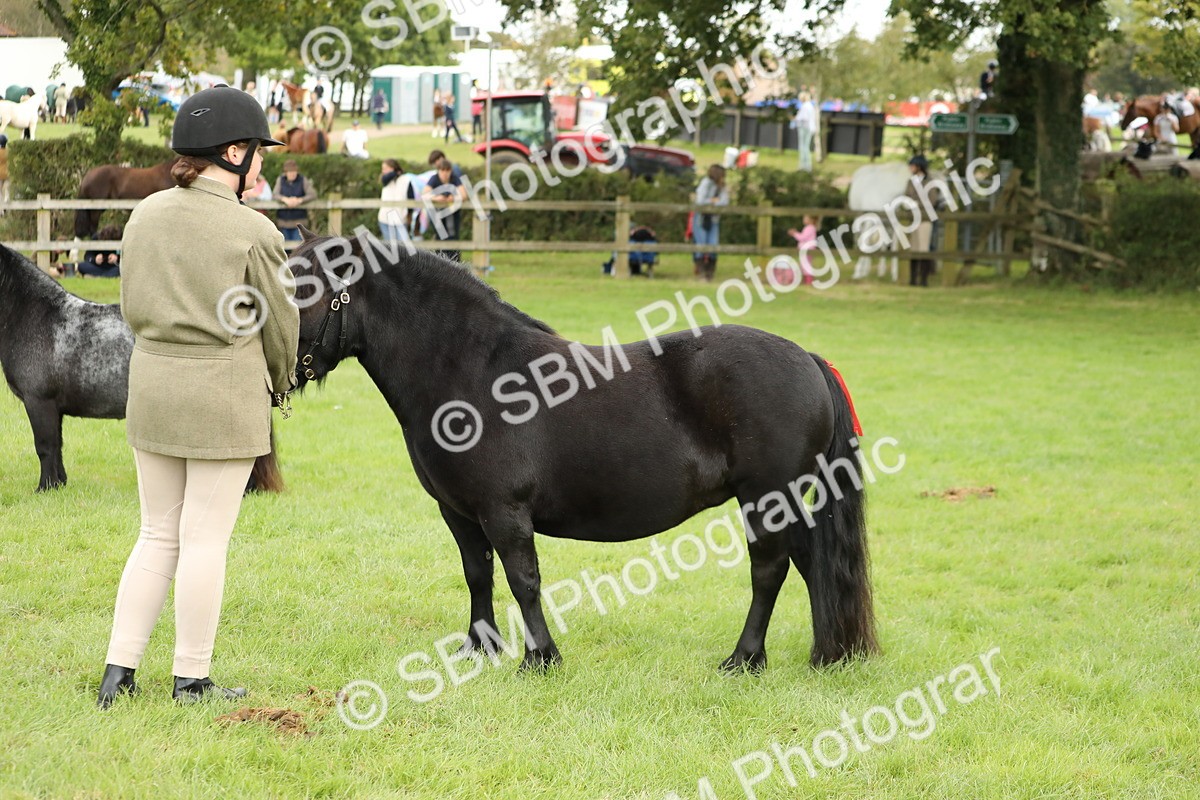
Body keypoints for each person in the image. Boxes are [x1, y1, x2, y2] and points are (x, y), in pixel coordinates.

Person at [96, 85, 297, 709]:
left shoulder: (146, 214)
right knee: (205, 540)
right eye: (258, 153)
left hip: (152, 385)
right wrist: (283, 381)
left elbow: (131, 308)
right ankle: (192, 679)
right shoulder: (252, 229)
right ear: (232, 152)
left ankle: (118, 673)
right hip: (222, 393)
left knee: (156, 533)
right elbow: (281, 323)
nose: (262, 164)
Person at [904, 155, 939, 287]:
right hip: (913, 219)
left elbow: (932, 200)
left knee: (924, 249)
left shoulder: (929, 182)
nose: (910, 168)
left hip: (925, 219)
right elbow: (906, 196)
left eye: (912, 166)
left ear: (919, 167)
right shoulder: (910, 182)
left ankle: (924, 280)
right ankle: (913, 279)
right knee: (914, 249)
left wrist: (916, 204)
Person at [423, 157, 467, 260]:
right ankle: (441, 263)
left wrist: (454, 198)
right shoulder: (434, 179)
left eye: (447, 170)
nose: (445, 173)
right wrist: (436, 198)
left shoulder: (455, 178)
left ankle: (455, 263)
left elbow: (464, 195)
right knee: (440, 237)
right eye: (442, 170)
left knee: (452, 237)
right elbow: (425, 193)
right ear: (438, 171)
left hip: (452, 214)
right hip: (438, 215)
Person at [691, 164, 729, 282]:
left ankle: (710, 272)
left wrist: (714, 202)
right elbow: (700, 201)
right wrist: (712, 200)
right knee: (701, 244)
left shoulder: (721, 186)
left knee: (713, 244)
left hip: (714, 218)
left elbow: (724, 201)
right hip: (701, 218)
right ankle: (701, 272)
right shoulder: (706, 183)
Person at [273, 159, 317, 242]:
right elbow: (275, 194)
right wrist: (285, 199)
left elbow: (312, 194)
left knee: (298, 248)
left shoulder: (302, 180)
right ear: (286, 172)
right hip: (283, 222)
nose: (292, 174)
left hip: (299, 222)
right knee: (285, 249)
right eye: (290, 172)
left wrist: (300, 200)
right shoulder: (280, 180)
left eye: (294, 171)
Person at [379, 158, 416, 241]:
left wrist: (409, 214)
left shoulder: (406, 180)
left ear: (392, 168)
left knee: (403, 248)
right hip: (385, 219)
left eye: (385, 168)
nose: (383, 171)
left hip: (401, 220)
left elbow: (411, 199)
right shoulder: (385, 180)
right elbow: (386, 178)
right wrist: (395, 172)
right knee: (389, 249)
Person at [786, 215, 819, 285]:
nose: (803, 219)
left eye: (806, 218)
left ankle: (808, 281)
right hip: (807, 250)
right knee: (805, 265)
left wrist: (794, 233)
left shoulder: (810, 228)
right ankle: (807, 281)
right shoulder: (809, 228)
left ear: (811, 220)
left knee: (805, 265)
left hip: (807, 250)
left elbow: (802, 238)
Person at [794, 92, 817, 172]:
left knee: (803, 147)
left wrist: (795, 119)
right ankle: (807, 166)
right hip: (809, 128)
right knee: (806, 147)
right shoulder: (810, 106)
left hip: (804, 128)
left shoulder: (805, 106)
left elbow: (803, 118)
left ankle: (804, 166)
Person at [0, 135, 8, 214]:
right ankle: (6, 207)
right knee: (7, 191)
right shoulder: (8, 151)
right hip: (8, 174)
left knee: (0, 192)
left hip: (0, 174)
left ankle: (1, 210)